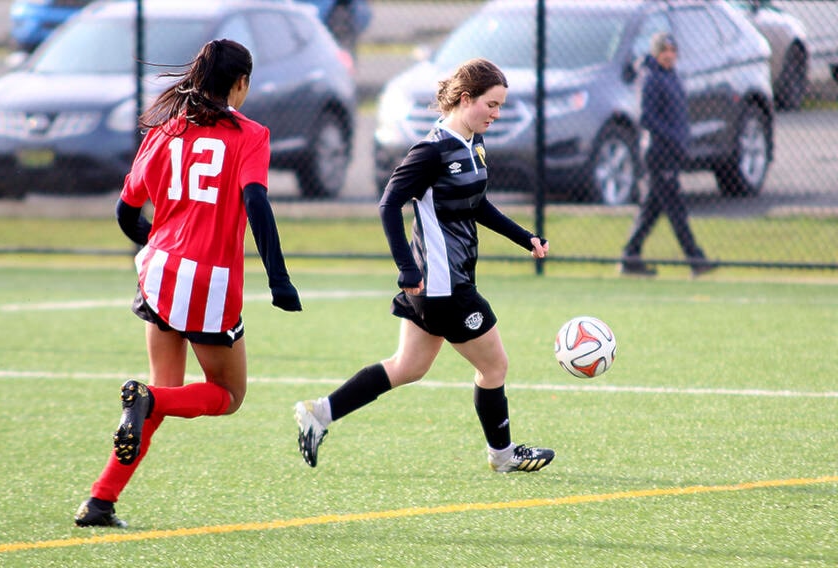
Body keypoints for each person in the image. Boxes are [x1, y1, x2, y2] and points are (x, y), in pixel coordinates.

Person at [74, 39, 302, 528]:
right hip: (209, 283)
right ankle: (147, 402)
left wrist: (156, 244)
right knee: (227, 395)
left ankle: (100, 500)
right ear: (240, 84)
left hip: (158, 270)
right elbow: (258, 204)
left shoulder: (165, 129)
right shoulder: (251, 134)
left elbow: (126, 211)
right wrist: (279, 280)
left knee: (164, 389)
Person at [293, 58, 555, 474]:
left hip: (445, 281)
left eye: (501, 106)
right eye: (491, 104)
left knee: (408, 367)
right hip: (440, 285)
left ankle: (319, 412)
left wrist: (525, 237)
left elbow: (477, 205)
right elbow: (389, 203)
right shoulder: (431, 151)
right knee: (494, 366)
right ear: (465, 99)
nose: (497, 113)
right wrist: (406, 269)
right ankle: (503, 456)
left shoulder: (473, 144)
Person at [620, 32, 716, 277]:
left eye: (673, 51)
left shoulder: (671, 75)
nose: (669, 55)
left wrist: (682, 142)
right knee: (675, 208)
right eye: (665, 51)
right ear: (656, 52)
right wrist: (674, 139)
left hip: (672, 152)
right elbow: (647, 118)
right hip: (659, 154)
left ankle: (630, 256)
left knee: (652, 208)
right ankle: (696, 259)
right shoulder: (651, 78)